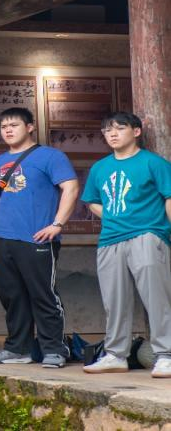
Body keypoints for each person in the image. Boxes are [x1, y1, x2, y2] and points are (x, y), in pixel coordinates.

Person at [0, 107, 78, 369]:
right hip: (3, 237)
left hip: (37, 237)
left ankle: (54, 349)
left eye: (14, 125)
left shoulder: (50, 156)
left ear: (30, 127)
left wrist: (57, 224)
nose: (8, 130)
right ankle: (17, 349)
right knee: (12, 296)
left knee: (43, 295)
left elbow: (70, 187)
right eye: (3, 127)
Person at [80, 112, 171, 378]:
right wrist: (111, 217)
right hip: (110, 238)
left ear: (136, 132)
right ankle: (116, 355)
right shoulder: (99, 168)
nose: (112, 134)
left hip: (148, 233)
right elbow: (92, 201)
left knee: (157, 297)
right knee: (114, 300)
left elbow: (169, 197)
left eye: (119, 128)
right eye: (107, 130)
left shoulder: (153, 163)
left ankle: (166, 354)